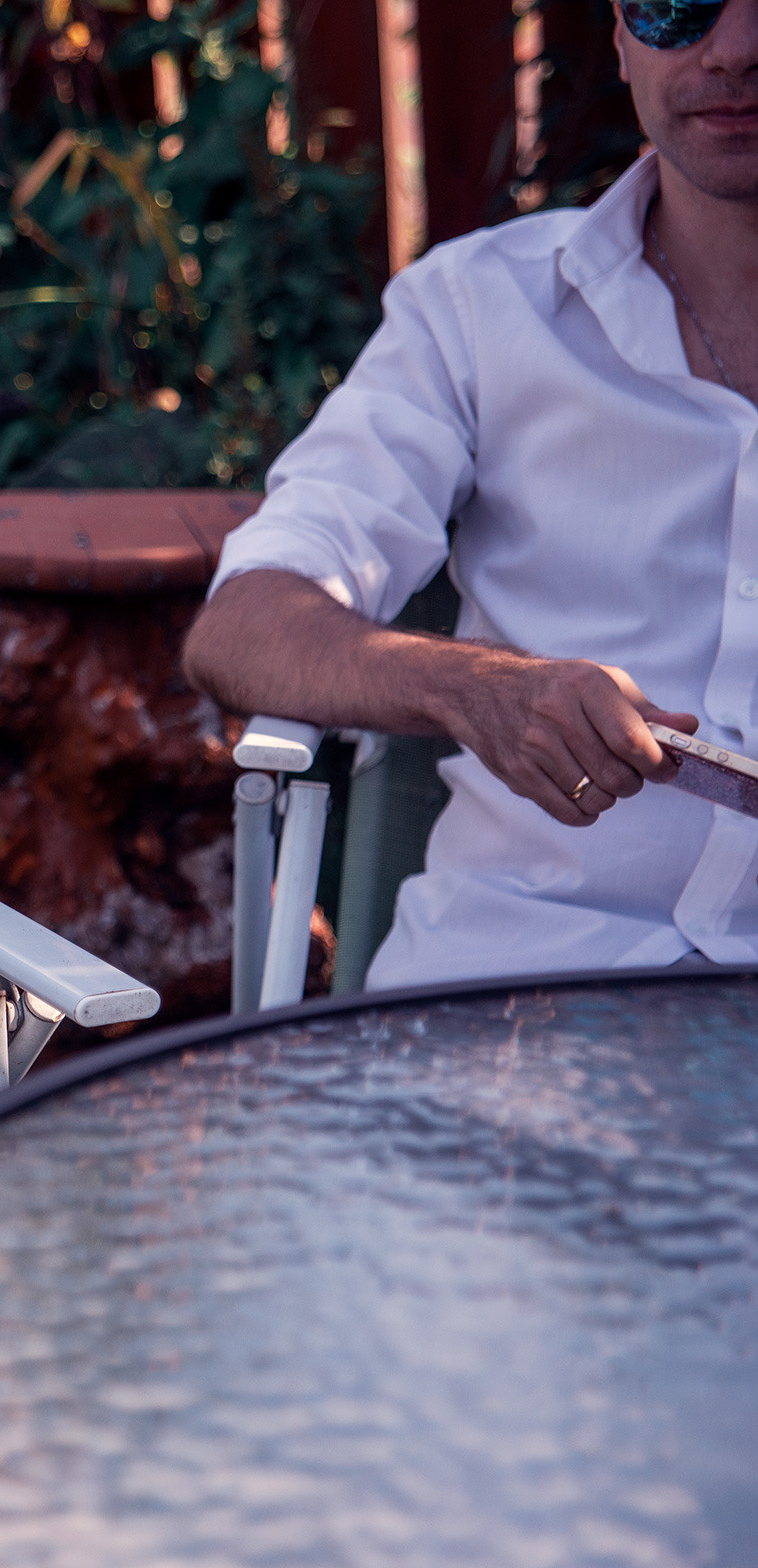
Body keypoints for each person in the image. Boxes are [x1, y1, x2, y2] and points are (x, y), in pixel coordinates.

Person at [182, 0, 758, 986]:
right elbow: (242, 624)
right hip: (513, 994)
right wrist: (475, 686)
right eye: (677, 1)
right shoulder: (479, 311)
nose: (736, 48)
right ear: (619, 34)